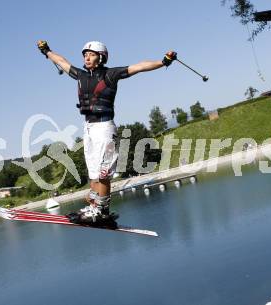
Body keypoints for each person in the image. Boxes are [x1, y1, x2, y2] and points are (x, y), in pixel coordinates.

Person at [37, 40, 176, 225]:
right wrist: (47, 51)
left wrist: (163, 61)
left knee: (103, 173)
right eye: (85, 54)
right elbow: (61, 61)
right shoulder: (80, 75)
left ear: (101, 57)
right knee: (93, 173)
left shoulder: (111, 74)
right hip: (88, 128)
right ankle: (94, 207)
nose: (87, 57)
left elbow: (139, 67)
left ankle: (102, 211)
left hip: (104, 128)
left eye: (91, 54)